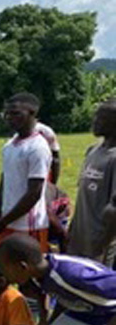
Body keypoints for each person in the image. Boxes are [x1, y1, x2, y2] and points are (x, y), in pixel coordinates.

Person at [0, 92, 55, 254]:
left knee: (28, 275)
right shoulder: (10, 145)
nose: (9, 118)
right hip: (6, 222)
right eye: (7, 114)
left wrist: (4, 221)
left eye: (16, 113)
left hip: (29, 226)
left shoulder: (37, 148)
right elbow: (4, 181)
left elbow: (34, 193)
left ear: (32, 113)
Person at [68, 101, 116, 264]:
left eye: (102, 118)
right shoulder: (92, 151)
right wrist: (73, 227)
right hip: (79, 237)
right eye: (96, 116)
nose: (95, 121)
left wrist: (102, 245)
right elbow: (83, 196)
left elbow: (114, 210)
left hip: (99, 244)